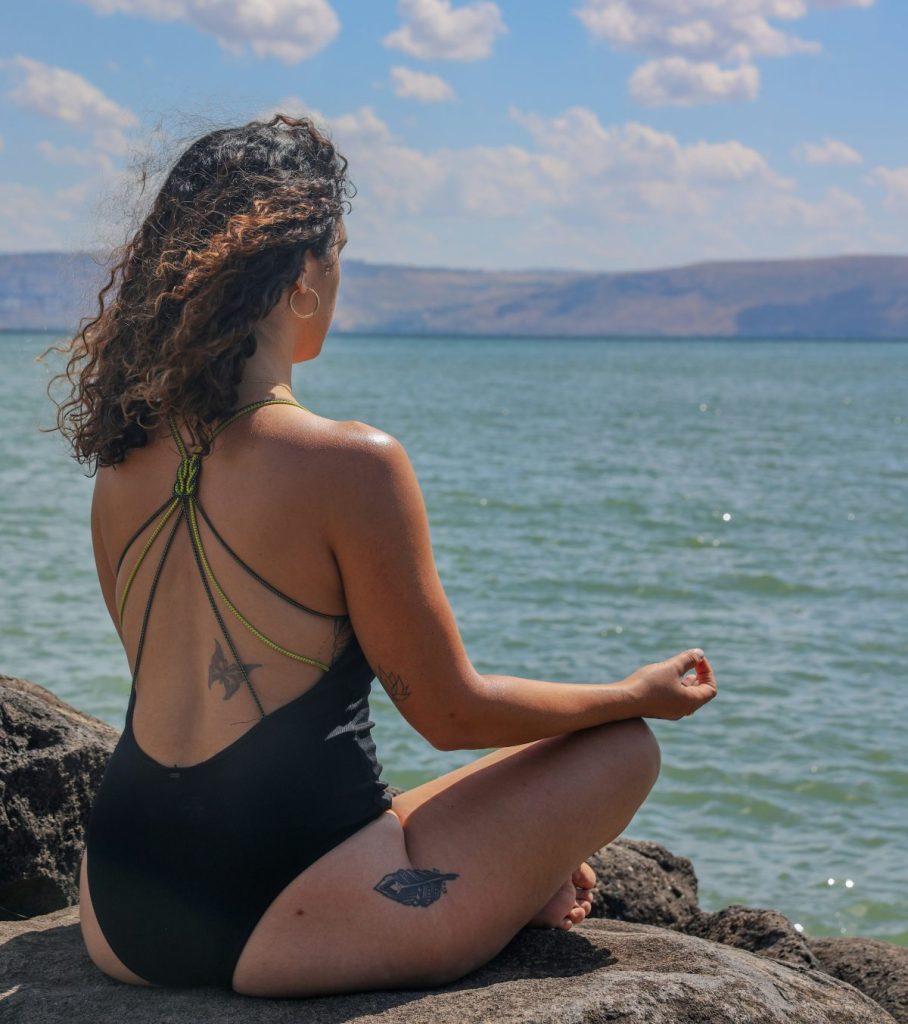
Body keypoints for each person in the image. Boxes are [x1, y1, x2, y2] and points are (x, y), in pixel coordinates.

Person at [49, 113, 718, 998]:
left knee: (425, 797)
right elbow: (451, 714)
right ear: (298, 275)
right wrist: (637, 694)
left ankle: (508, 874)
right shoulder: (351, 462)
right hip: (279, 914)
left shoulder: (122, 466)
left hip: (124, 908)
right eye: (340, 251)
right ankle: (510, 883)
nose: (340, 276)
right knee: (622, 748)